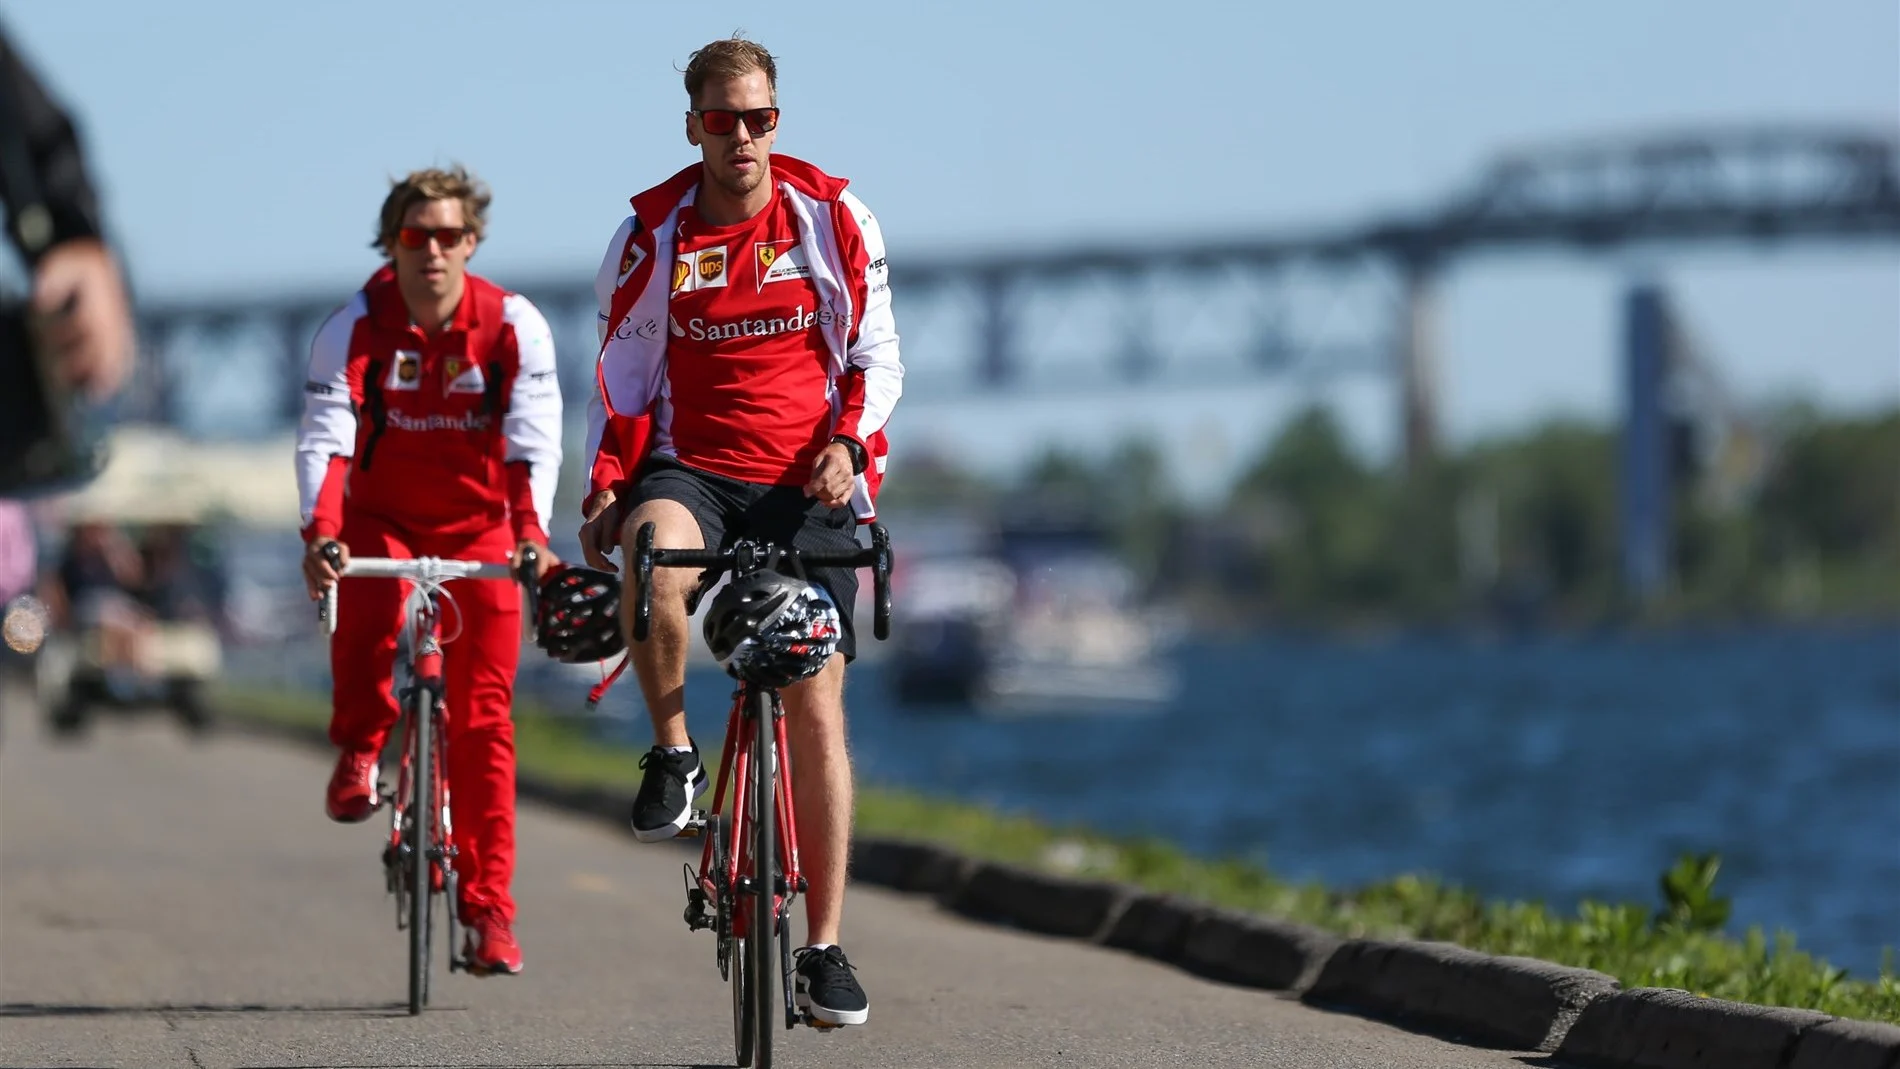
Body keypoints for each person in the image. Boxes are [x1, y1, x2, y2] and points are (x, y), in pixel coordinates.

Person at [576, 36, 901, 1028]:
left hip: (809, 475)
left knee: (815, 695)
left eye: (758, 118)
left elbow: (878, 355)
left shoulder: (831, 217)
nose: (741, 138)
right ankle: (673, 752)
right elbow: (619, 379)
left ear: (777, 121)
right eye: (721, 121)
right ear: (693, 128)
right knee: (648, 553)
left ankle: (824, 947)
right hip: (694, 470)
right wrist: (603, 486)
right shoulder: (651, 234)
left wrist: (848, 439)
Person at [295, 166, 562, 976]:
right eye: (417, 236)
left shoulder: (515, 324)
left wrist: (531, 536)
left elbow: (533, 438)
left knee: (485, 721)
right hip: (382, 520)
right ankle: (362, 743)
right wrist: (322, 533)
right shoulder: (353, 325)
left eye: (449, 236)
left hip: (483, 527)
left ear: (470, 243)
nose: (434, 252)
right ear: (393, 244)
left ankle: (489, 912)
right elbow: (326, 437)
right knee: (367, 616)